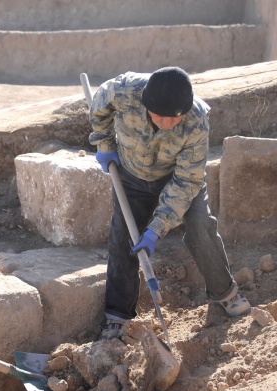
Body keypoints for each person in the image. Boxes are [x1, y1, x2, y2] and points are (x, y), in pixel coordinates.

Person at [88, 66, 250, 340]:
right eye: (159, 118)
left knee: (201, 224)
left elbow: (187, 182)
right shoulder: (125, 90)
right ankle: (117, 315)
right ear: (145, 104)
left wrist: (156, 229)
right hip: (132, 175)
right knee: (122, 236)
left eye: (173, 119)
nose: (165, 124)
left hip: (177, 176)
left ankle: (226, 293)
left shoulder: (196, 120)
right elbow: (99, 106)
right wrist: (104, 144)